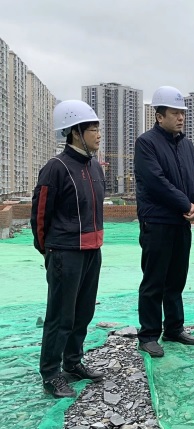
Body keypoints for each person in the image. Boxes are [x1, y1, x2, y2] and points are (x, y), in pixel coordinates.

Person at [31, 100, 106, 398]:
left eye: (99, 128)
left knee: (83, 312)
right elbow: (40, 215)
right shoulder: (56, 168)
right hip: (65, 252)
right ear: (75, 132)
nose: (99, 134)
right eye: (93, 129)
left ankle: (73, 363)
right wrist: (49, 251)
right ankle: (51, 374)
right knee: (60, 316)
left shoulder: (95, 167)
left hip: (92, 251)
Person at [134, 86, 194, 358]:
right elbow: (156, 182)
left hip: (180, 222)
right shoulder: (146, 143)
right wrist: (187, 204)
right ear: (159, 116)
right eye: (175, 113)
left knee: (177, 279)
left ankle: (174, 328)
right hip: (157, 222)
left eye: (182, 113)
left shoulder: (186, 144)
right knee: (154, 280)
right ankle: (148, 335)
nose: (180, 117)